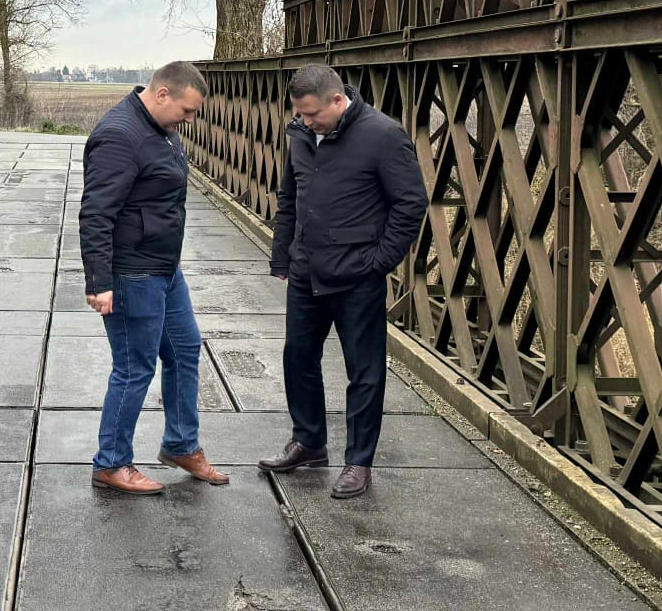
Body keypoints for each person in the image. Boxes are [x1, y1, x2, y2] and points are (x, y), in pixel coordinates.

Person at [257, 64, 425, 499]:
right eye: (299, 113)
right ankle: (309, 442)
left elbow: (410, 204)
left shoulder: (383, 135)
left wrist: (378, 263)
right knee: (298, 358)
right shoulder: (300, 133)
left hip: (357, 277)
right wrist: (281, 255)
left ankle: (359, 462)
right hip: (306, 269)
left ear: (338, 99)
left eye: (312, 114)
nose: (305, 120)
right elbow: (290, 196)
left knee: (364, 371)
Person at [79, 61, 229, 495]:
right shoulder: (119, 135)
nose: (190, 120)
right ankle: (111, 463)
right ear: (162, 94)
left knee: (185, 349)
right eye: (187, 110)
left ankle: (181, 444)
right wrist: (99, 282)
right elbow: (96, 213)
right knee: (134, 367)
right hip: (133, 272)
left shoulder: (162, 129)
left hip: (165, 268)